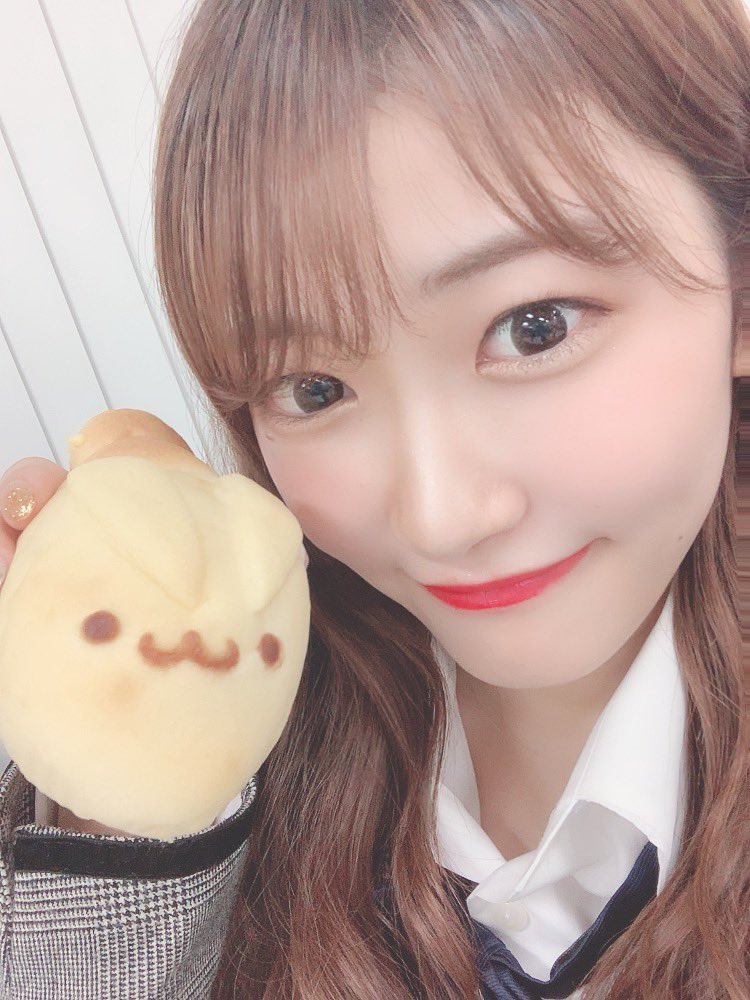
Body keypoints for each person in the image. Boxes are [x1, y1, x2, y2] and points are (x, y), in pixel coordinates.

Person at [0, 0, 747, 997]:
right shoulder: (247, 706)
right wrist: (121, 781)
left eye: (535, 326)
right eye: (314, 389)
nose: (439, 517)